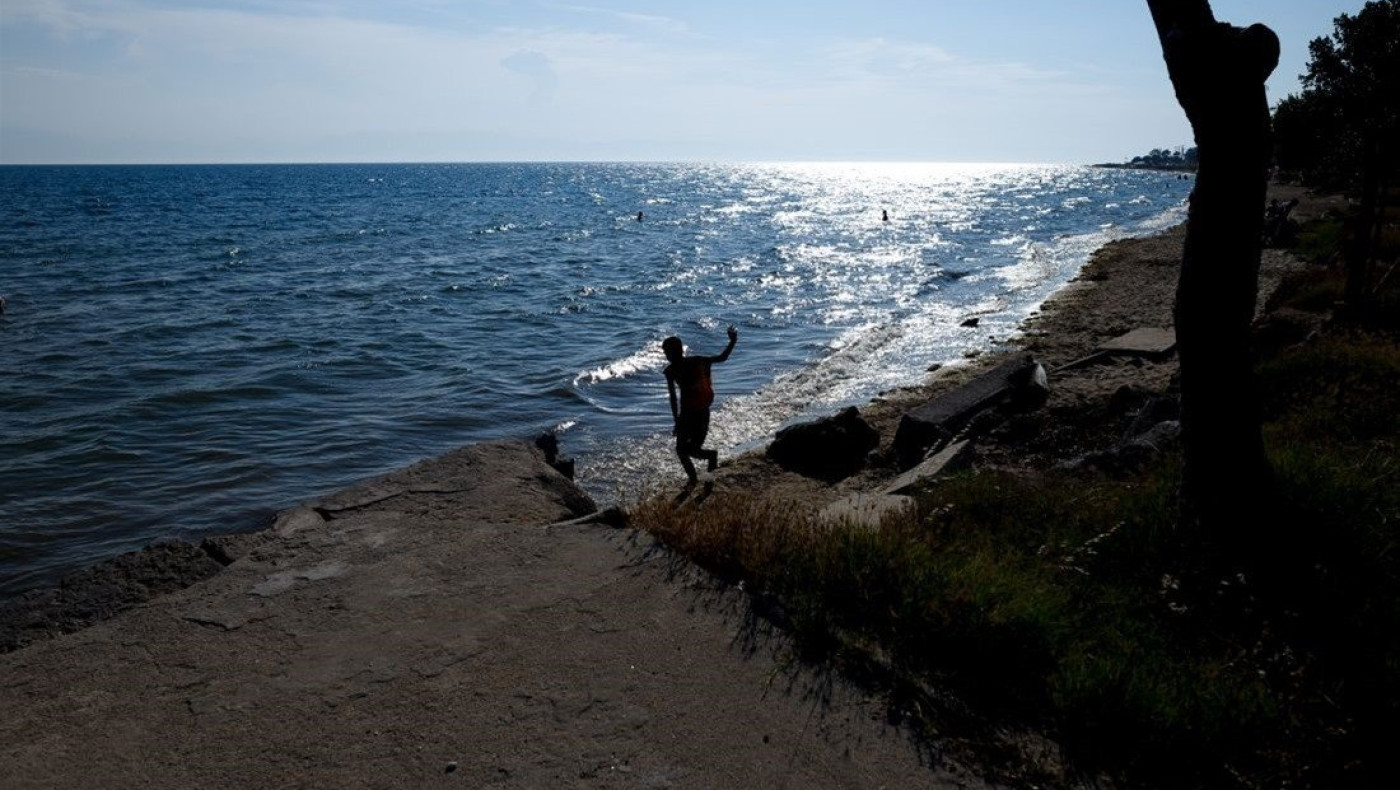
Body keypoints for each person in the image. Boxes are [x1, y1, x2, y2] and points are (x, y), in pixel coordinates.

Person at [662, 326, 738, 483]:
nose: (667, 356)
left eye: (668, 352)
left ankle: (706, 470)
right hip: (693, 413)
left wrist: (732, 341)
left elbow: (721, 358)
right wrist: (677, 421)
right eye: (666, 353)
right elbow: (673, 398)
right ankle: (696, 478)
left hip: (695, 414)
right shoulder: (680, 368)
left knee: (689, 450)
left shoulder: (687, 365)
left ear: (677, 352)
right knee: (683, 450)